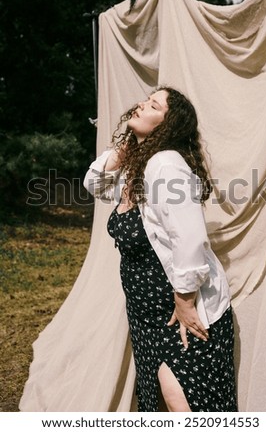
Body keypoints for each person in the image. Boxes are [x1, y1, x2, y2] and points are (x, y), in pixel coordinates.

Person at [84, 86, 237, 413]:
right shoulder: (136, 165)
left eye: (153, 105)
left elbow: (191, 237)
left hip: (176, 310)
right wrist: (121, 152)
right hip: (145, 315)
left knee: (182, 399)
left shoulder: (165, 164)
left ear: (166, 127)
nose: (141, 105)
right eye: (145, 99)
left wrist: (183, 300)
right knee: (165, 400)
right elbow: (93, 183)